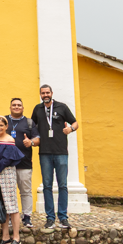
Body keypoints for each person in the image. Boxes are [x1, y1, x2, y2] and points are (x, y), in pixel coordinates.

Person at [31, 84, 78, 229]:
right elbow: (33, 127)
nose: (45, 95)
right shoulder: (37, 109)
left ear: (52, 93)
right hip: (44, 152)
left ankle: (63, 217)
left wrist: (70, 128)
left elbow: (75, 123)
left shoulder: (62, 107)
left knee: (63, 185)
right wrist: (34, 139)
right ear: (40, 94)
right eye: (43, 93)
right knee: (47, 186)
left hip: (61, 152)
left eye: (47, 92)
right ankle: (50, 218)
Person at [0, 115, 25, 244]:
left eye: (1, 125)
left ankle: (16, 237)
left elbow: (7, 160)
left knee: (11, 205)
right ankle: (5, 237)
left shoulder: (9, 140)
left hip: (6, 174)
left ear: (6, 126)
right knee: (2, 205)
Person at [2, 97, 40, 228]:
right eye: (14, 105)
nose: (16, 107)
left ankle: (27, 216)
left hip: (24, 163)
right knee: (9, 192)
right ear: (10, 107)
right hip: (7, 164)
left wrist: (31, 142)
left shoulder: (29, 122)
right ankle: (12, 217)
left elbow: (37, 139)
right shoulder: (4, 121)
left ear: (23, 108)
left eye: (19, 105)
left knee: (25, 191)